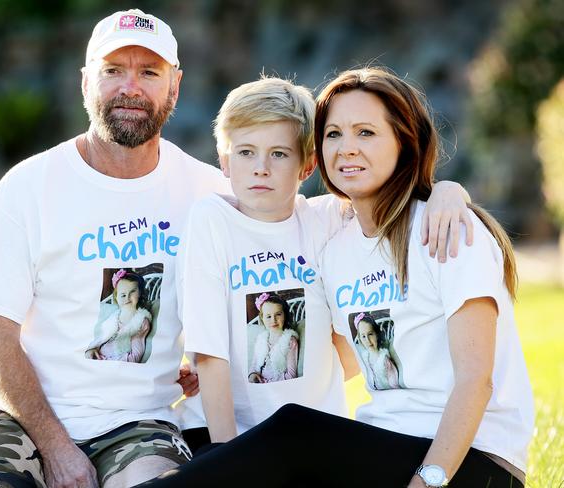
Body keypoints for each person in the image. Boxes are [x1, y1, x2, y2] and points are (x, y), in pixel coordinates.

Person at [134, 67, 533, 488]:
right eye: (334, 134)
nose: (347, 149)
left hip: (467, 460)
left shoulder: (448, 230)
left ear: (404, 142)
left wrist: (428, 481)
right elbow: (340, 354)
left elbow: (477, 380)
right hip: (384, 443)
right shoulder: (340, 241)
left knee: (294, 432)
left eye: (366, 133)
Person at [0, 9, 228, 488]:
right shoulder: (28, 187)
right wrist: (56, 447)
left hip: (139, 422)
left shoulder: (209, 194)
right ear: (86, 81)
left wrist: (203, 360)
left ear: (174, 86)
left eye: (149, 72)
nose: (130, 87)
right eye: (113, 70)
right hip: (18, 418)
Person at [176, 76, 472, 445]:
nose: (261, 168)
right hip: (221, 431)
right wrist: (225, 457)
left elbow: (394, 197)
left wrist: (447, 190)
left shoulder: (328, 219)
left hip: (314, 435)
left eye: (279, 154)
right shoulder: (211, 220)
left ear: (308, 166)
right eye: (246, 152)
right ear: (224, 160)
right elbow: (209, 355)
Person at [85, 269, 152, 363]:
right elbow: (100, 338)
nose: (127, 297)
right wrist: (91, 350)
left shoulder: (140, 322)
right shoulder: (114, 317)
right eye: (123, 294)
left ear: (140, 293)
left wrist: (108, 362)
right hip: (99, 356)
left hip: (114, 363)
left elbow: (135, 356)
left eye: (132, 291)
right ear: (116, 297)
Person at [248, 293, 299, 383]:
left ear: (285, 315)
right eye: (268, 316)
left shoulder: (290, 341)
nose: (273, 320)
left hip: (278, 386)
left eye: (278, 314)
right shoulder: (260, 340)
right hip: (259, 384)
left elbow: (291, 375)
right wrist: (252, 375)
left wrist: (267, 383)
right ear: (262, 318)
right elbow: (254, 365)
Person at [353, 312, 400, 390]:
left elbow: (394, 384)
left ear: (377, 334)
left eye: (370, 334)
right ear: (360, 338)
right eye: (363, 336)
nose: (367, 340)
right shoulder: (365, 357)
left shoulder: (384, 359)